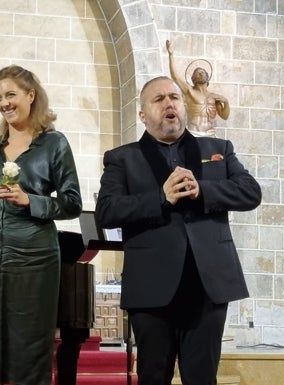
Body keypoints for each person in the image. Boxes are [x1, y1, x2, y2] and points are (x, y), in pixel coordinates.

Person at [94, 76, 261, 385]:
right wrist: (161, 197)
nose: (168, 103)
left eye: (174, 97)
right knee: (153, 377)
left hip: (207, 286)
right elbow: (107, 212)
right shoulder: (122, 158)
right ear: (143, 114)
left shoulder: (218, 149)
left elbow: (251, 192)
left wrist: (204, 190)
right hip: (151, 290)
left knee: (202, 379)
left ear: (184, 107)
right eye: (158, 99)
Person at [0, 65, 82, 385]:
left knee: (30, 344)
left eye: (11, 94)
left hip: (34, 256)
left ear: (30, 95)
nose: (4, 103)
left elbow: (72, 203)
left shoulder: (54, 143)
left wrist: (31, 201)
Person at [166, 40, 230, 137]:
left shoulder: (214, 97)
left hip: (210, 133)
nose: (201, 73)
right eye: (198, 72)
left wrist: (226, 102)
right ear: (193, 79)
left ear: (208, 77)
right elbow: (175, 76)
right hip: (194, 133)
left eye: (203, 72)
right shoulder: (190, 91)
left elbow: (225, 116)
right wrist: (171, 55)